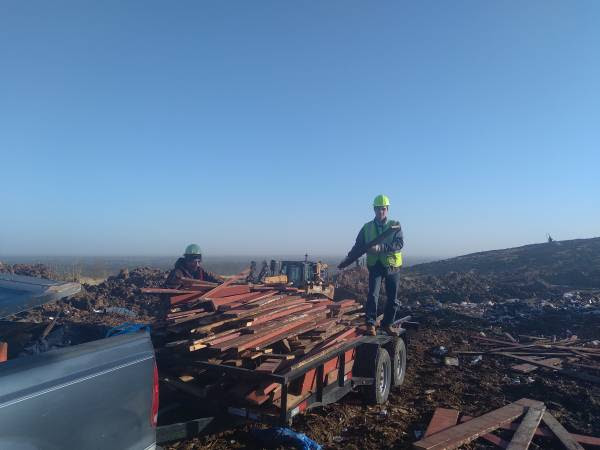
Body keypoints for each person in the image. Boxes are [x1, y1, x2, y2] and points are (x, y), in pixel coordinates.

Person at [340, 195, 404, 336]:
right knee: (372, 295)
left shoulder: (395, 225)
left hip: (392, 266)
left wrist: (381, 248)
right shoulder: (367, 227)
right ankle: (370, 324)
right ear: (374, 210)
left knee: (392, 298)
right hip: (375, 265)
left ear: (387, 209)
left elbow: (399, 244)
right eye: (378, 209)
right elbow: (358, 245)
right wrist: (349, 257)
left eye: (383, 209)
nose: (380, 211)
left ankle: (387, 324)